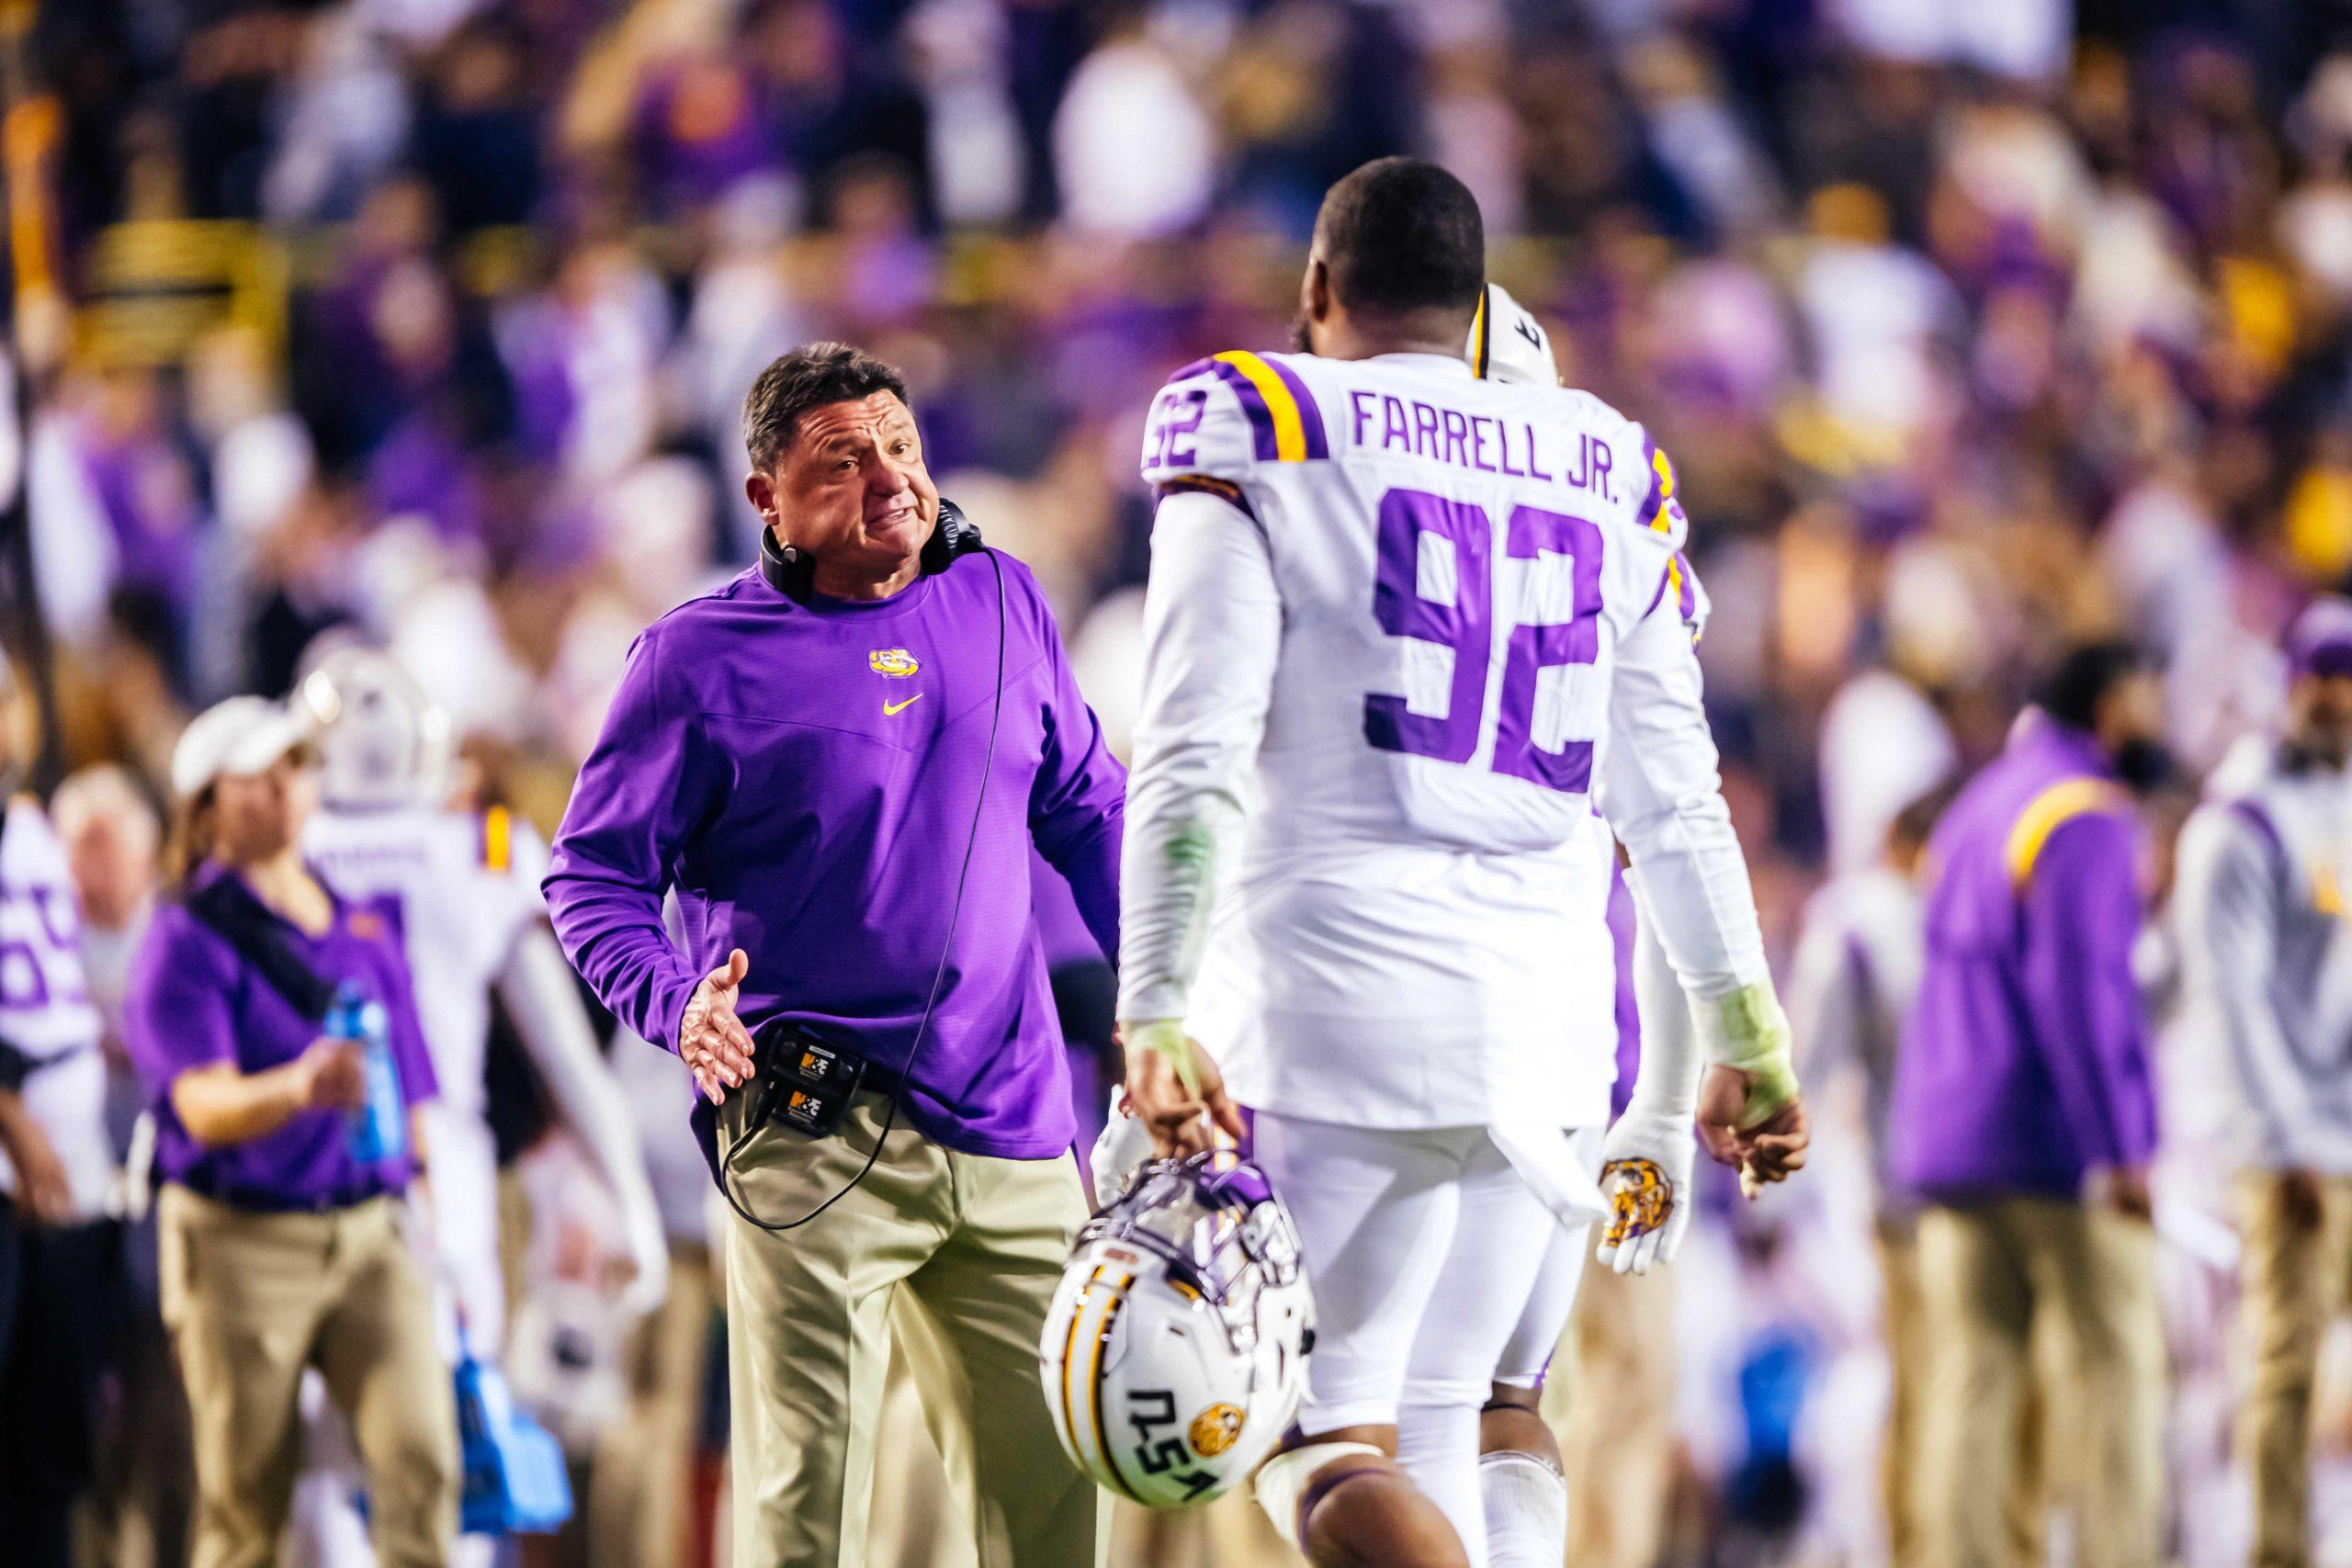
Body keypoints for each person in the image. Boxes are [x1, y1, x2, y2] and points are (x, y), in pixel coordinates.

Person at [1118, 159, 1804, 1568]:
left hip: (1334, 1012)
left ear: (1318, 289)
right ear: (1477, 302)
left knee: (1311, 1436)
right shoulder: (1606, 456)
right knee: (1451, 1417)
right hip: (1549, 1039)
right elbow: (1676, 801)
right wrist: (1748, 1031)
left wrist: (1155, 1001)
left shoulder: (1263, 420)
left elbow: (1190, 752)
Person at [543, 341, 1125, 1567]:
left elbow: (1091, 808)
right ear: (766, 495)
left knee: (1060, 1503)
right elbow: (590, 872)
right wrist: (670, 1000)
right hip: (813, 1125)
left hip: (1015, 1121)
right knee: (806, 1510)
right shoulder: (698, 657)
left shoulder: (1004, 599)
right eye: (845, 460)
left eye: (902, 448)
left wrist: (1171, 997)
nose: (891, 480)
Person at [124, 695, 458, 1568]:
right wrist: (299, 1088)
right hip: (243, 1240)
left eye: (294, 769)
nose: (283, 790)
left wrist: (431, 1226)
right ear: (206, 808)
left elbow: (412, 1098)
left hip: (368, 1231)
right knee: (248, 1503)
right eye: (256, 778)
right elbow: (199, 1106)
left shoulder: (359, 922)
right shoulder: (183, 938)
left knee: (423, 1458)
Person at [1891, 640, 2170, 1568]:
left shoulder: (1978, 804)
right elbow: (2085, 993)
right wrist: (2120, 1148)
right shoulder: (2080, 812)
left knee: (1973, 1378)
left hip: (1949, 1141)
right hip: (2053, 1144)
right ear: (2112, 701)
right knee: (2117, 1367)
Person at [2173, 597, 2352, 1568]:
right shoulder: (2244, 820)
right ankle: (2273, 1550)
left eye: (2346, 678)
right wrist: (2284, 1142)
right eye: (2318, 677)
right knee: (2285, 1360)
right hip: (2291, 1144)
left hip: (2346, 1124)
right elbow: (2233, 1004)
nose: (2333, 698)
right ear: (2286, 688)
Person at [1787, 784, 1942, 1568]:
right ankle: (1849, 1540)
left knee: (1895, 1379)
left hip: (1874, 1176)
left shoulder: (1899, 913)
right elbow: (1812, 1065)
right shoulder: (1864, 915)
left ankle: (1859, 1540)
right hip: (1861, 1179)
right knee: (1876, 1373)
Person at [51, 762, 195, 1568]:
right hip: (70, 1217)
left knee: (166, 1438)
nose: (90, 863)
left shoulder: (175, 936)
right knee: (75, 1437)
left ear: (148, 849)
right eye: (78, 843)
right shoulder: (38, 936)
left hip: (158, 1227)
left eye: (107, 841)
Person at [0, 669, 123, 1567]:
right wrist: (14, 1119)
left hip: (70, 1159)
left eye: (7, 699)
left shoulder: (32, 820)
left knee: (52, 1444)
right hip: (15, 1162)